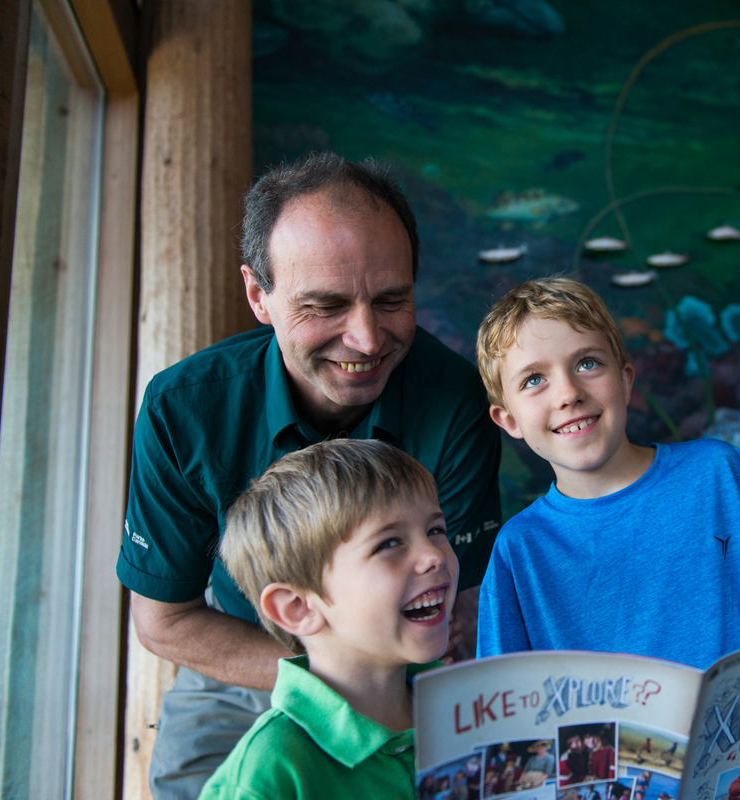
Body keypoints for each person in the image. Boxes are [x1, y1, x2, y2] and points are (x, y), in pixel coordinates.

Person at [117, 153, 502, 799]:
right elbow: (166, 621)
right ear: (257, 296)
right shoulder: (183, 406)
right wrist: (337, 678)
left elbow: (458, 602)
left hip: (409, 659)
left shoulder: (455, 398)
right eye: (324, 306)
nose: (365, 338)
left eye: (390, 301)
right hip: (238, 655)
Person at [473, 278, 740, 800]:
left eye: (587, 363)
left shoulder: (717, 473)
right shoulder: (519, 553)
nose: (568, 393)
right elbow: (508, 739)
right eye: (534, 379)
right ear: (508, 419)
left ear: (626, 380)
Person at [197, 439, 457, 798]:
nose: (434, 555)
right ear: (297, 608)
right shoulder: (270, 770)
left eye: (435, 530)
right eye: (388, 543)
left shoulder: (469, 709)